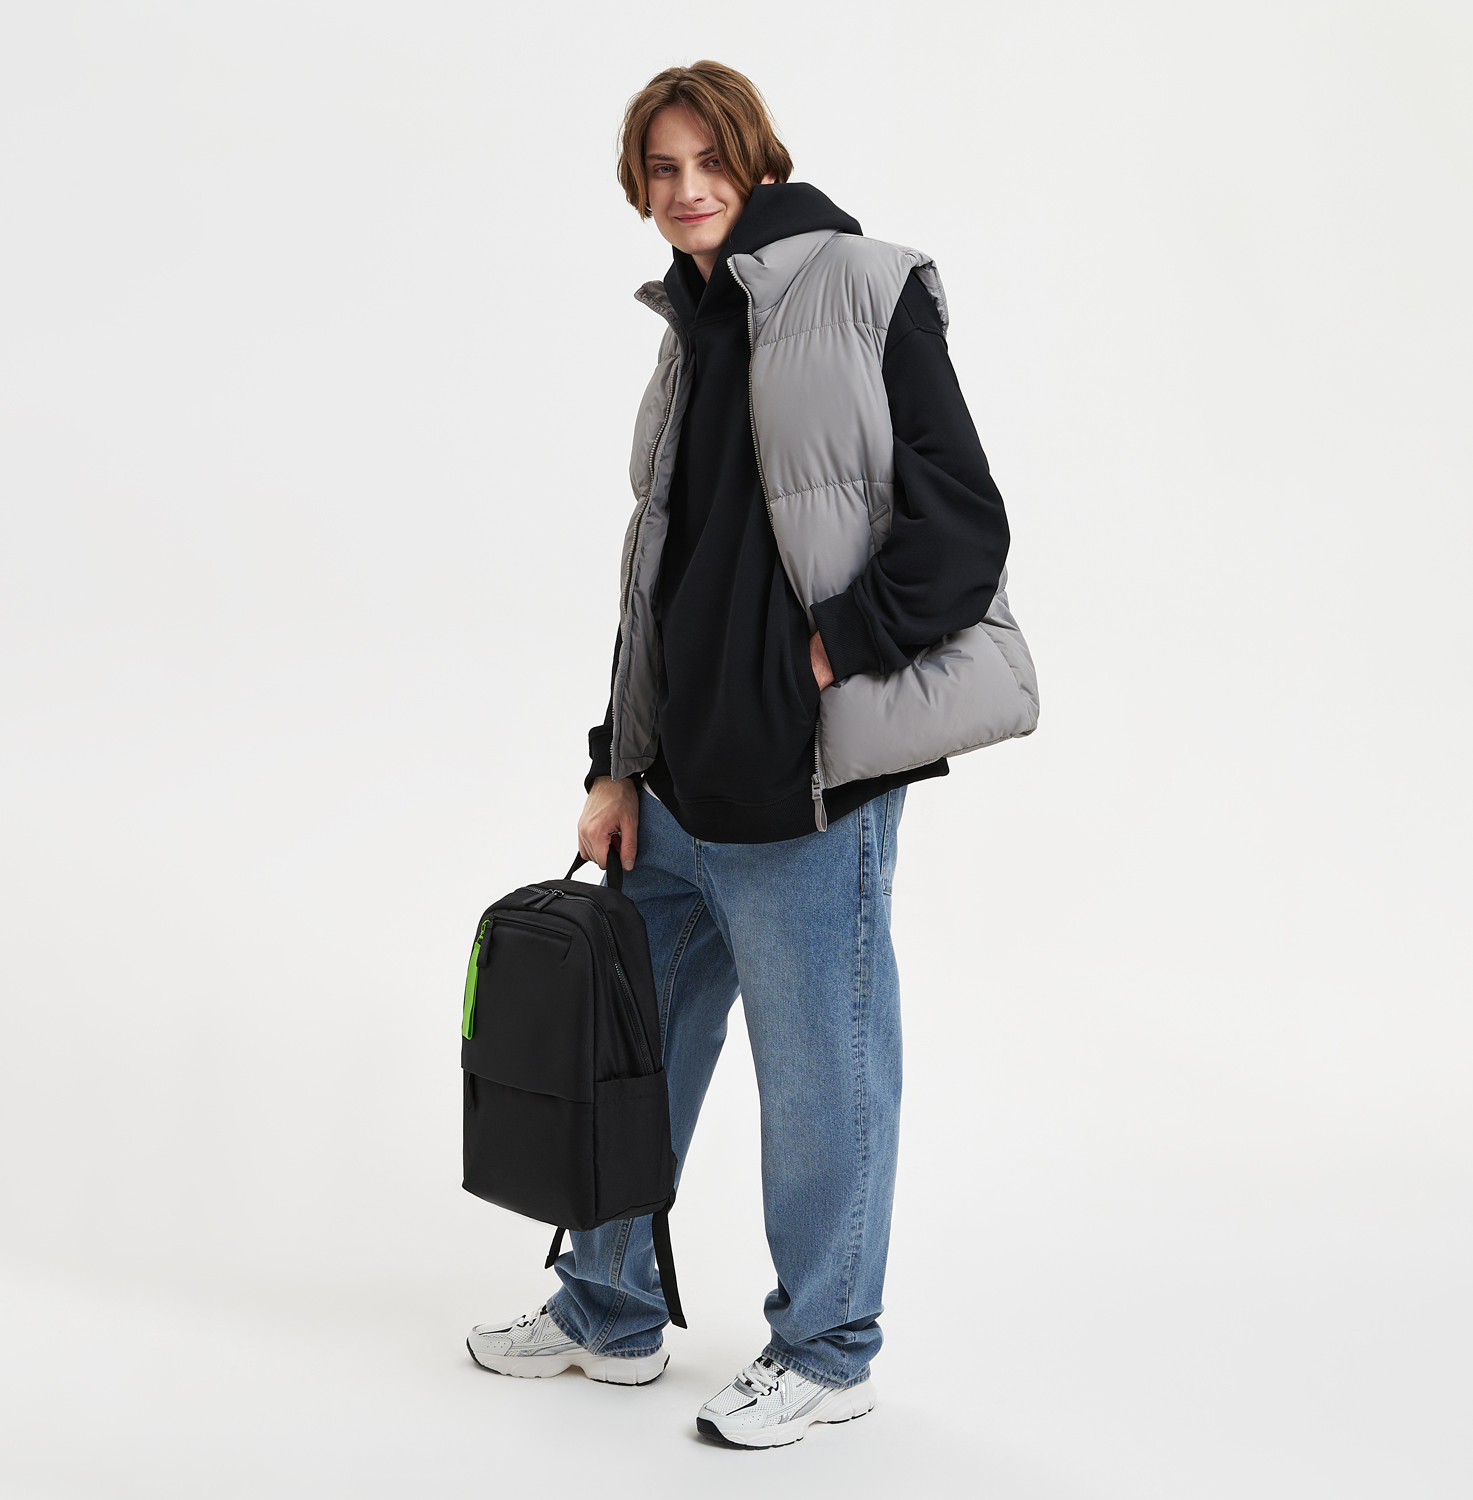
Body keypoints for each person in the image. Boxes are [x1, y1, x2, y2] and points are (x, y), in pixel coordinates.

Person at [468, 60, 1037, 1448]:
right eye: (660, 171)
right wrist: (616, 764)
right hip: (671, 790)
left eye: (707, 160)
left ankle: (829, 1351)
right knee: (629, 1055)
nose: (687, 190)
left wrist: (833, 647)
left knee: (823, 1076)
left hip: (800, 785)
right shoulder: (688, 325)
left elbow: (965, 527)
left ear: (757, 157)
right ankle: (608, 1310)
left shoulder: (867, 287)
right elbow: (654, 573)